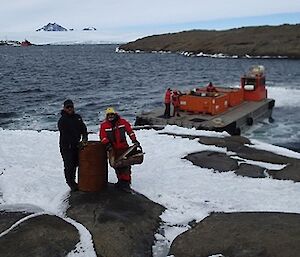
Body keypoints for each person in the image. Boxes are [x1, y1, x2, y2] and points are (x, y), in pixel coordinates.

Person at [99, 107, 139, 192]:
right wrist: (107, 145)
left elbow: (130, 131)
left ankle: (126, 183)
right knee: (116, 166)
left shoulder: (122, 122)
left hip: (124, 148)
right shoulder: (104, 125)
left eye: (112, 114)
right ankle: (121, 181)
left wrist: (134, 140)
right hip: (113, 150)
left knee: (126, 166)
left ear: (115, 114)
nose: (110, 116)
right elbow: (102, 137)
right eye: (109, 115)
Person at [58, 99, 88, 191]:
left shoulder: (77, 117)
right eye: (67, 107)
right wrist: (73, 144)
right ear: (64, 108)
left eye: (71, 107)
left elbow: (83, 129)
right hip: (66, 147)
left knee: (78, 163)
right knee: (69, 165)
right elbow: (67, 135)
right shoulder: (62, 120)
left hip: (77, 145)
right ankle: (71, 183)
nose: (70, 109)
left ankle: (80, 181)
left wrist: (84, 139)